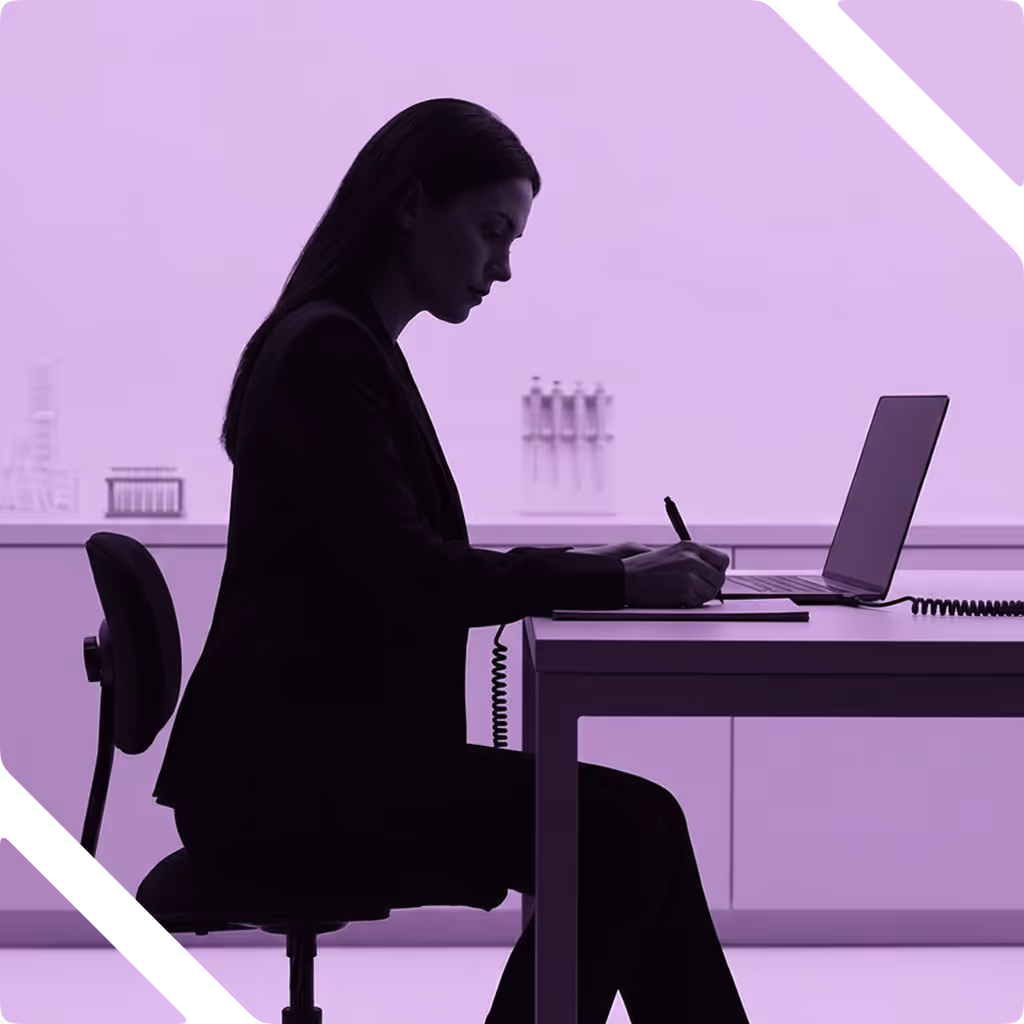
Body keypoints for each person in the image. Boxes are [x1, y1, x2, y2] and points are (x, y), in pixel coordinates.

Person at [152, 96, 748, 1023]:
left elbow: (405, 556)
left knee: (633, 828)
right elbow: (411, 577)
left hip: (319, 757)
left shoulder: (346, 340)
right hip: (294, 781)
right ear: (410, 205)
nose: (502, 268)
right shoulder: (329, 352)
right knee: (627, 832)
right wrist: (615, 579)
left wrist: (602, 564)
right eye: (490, 232)